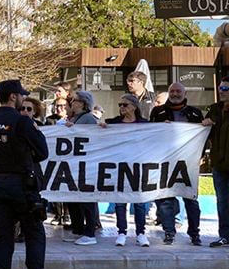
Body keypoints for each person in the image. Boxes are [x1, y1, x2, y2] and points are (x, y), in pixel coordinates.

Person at [0, 79, 62, 269]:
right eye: (21, 96)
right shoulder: (22, 121)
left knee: (4, 238)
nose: (23, 99)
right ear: (13, 97)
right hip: (23, 185)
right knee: (34, 234)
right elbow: (42, 152)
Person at [149, 81, 204, 245]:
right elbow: (149, 134)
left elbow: (203, 137)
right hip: (165, 162)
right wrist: (160, 127)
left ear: (184, 94)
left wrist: (200, 156)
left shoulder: (195, 113)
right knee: (166, 199)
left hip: (188, 162)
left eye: (178, 91)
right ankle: (169, 232)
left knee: (191, 200)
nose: (175, 94)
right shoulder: (158, 112)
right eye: (172, 91)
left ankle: (195, 234)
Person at [101, 94, 150, 247]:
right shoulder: (114, 122)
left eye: (125, 105)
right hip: (119, 166)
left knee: (139, 202)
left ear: (134, 107)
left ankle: (141, 233)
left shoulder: (145, 124)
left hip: (138, 166)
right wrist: (101, 126)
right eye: (120, 105)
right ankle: (121, 232)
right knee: (120, 202)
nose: (122, 108)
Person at [63, 91, 101, 245]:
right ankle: (78, 229)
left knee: (86, 200)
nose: (72, 102)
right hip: (75, 165)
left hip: (86, 166)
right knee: (74, 199)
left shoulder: (88, 119)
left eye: (75, 100)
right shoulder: (76, 118)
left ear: (83, 103)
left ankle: (89, 232)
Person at [205, 79, 229, 248]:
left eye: (226, 88)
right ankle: (225, 235)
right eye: (220, 87)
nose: (221, 90)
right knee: (222, 201)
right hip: (219, 164)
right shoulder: (215, 109)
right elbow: (202, 128)